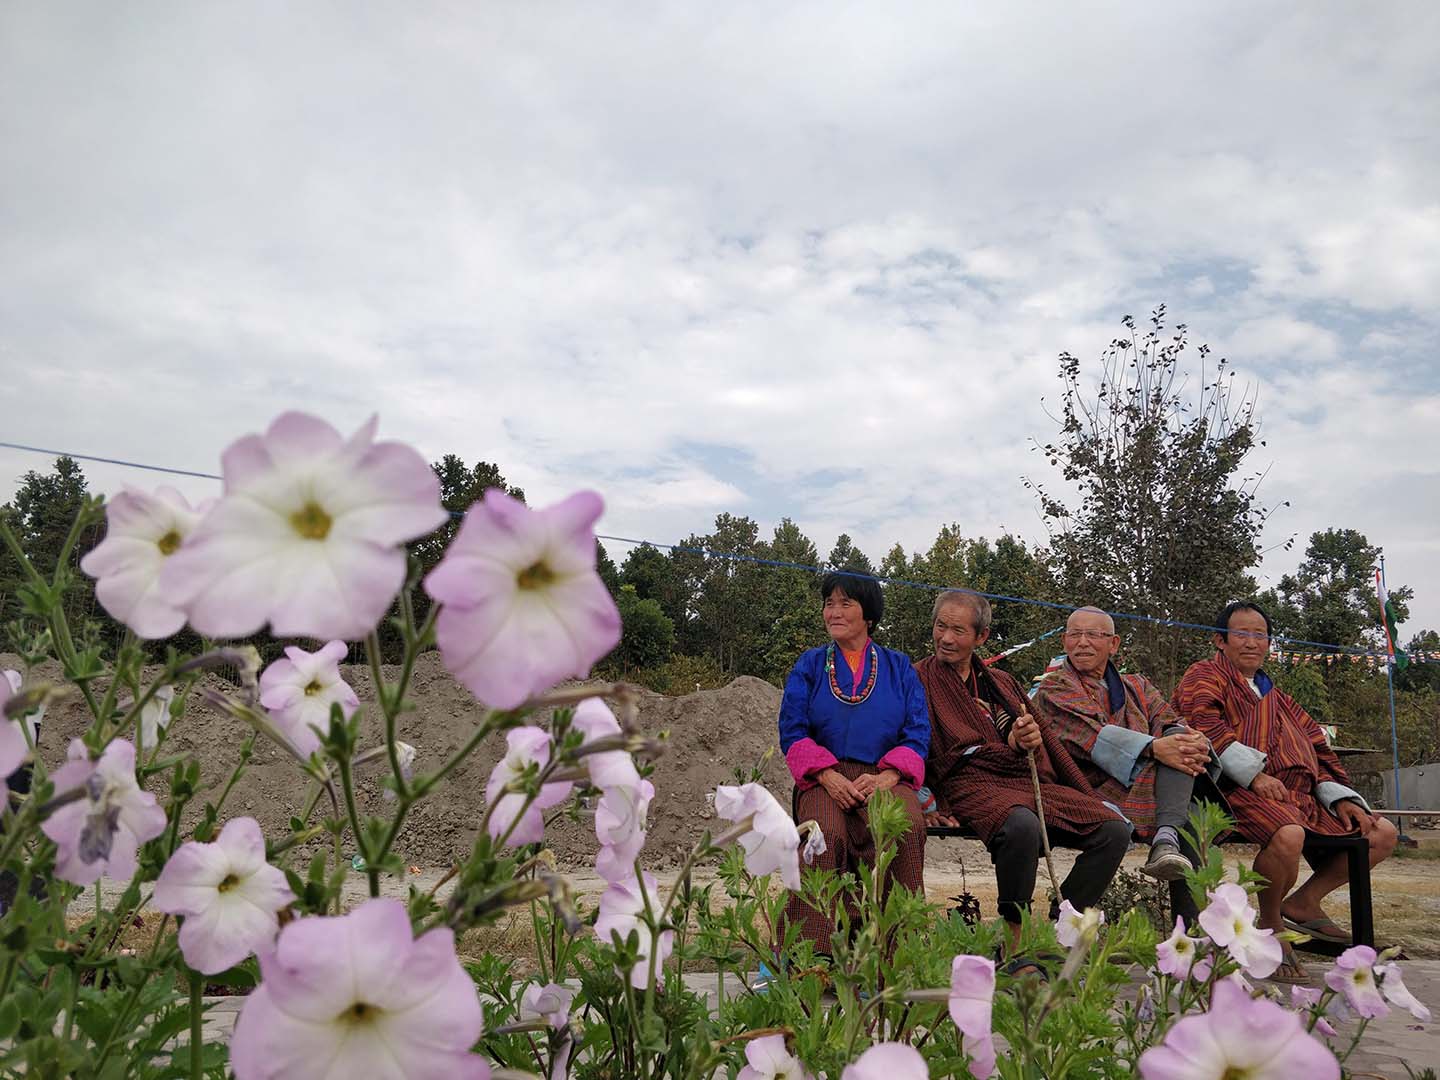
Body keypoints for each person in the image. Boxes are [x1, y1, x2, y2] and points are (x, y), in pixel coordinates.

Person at [1174, 600, 1399, 980]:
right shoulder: (1203, 677)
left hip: (1297, 795)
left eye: (1259, 635)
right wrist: (1254, 775)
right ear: (1220, 640)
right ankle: (1272, 923)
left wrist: (1342, 798)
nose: (1251, 643)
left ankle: (1306, 902)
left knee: (1382, 833)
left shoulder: (1280, 698)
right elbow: (1202, 728)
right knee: (1289, 833)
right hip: (1233, 791)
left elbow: (1318, 747)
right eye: (1241, 634)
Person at [914, 590, 1129, 958]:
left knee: (1113, 829)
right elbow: (909, 743)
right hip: (966, 784)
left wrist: (1029, 740)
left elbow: (1042, 741)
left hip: (1019, 782)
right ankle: (1015, 935)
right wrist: (926, 798)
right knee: (1022, 825)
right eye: (940, 626)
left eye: (958, 630)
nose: (946, 638)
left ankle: (1060, 927)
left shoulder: (1002, 682)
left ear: (981, 637)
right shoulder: (915, 678)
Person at [1032, 606, 1224, 924]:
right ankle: (1068, 912)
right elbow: (1091, 736)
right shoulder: (1054, 687)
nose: (1082, 642)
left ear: (1114, 644)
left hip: (1140, 787)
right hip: (1082, 788)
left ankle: (1187, 933)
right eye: (1074, 635)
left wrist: (1191, 741)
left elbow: (1169, 720)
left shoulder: (1137, 686)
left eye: (1093, 635)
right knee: (1181, 806)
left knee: (1183, 761)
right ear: (1064, 642)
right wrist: (1155, 747)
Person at [777, 570, 930, 951]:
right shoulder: (810, 665)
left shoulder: (898, 667)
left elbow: (917, 731)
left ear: (869, 614)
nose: (834, 612)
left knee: (906, 829)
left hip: (883, 777)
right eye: (829, 604)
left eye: (846, 603)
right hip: (823, 776)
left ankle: (895, 954)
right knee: (823, 838)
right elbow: (792, 730)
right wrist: (827, 776)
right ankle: (810, 957)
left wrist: (889, 776)